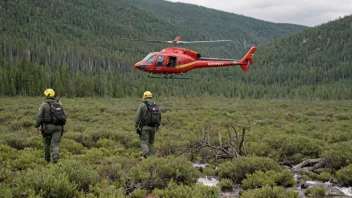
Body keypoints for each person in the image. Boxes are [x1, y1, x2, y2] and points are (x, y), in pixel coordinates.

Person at [35, 88, 66, 163]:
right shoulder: (60, 104)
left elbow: (39, 117)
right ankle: (55, 159)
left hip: (47, 128)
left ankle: (47, 160)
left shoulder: (44, 105)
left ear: (46, 96)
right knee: (55, 144)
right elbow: (64, 116)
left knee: (47, 143)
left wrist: (37, 126)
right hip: (59, 127)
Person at [134, 91, 161, 158]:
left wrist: (136, 126)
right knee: (151, 143)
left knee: (143, 142)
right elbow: (159, 116)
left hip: (145, 127)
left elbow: (137, 116)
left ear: (144, 97)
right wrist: (158, 126)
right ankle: (152, 157)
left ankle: (147, 155)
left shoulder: (142, 105)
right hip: (154, 127)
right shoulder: (155, 105)